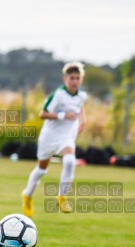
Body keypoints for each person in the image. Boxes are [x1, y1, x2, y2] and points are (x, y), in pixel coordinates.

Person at [21, 62, 87, 217]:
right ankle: (27, 195)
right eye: (72, 78)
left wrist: (83, 121)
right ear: (65, 79)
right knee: (42, 170)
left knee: (70, 161)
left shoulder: (82, 96)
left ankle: (62, 196)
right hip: (49, 137)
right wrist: (64, 116)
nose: (75, 81)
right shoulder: (58, 95)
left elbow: (80, 109)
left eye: (78, 78)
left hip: (66, 137)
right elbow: (42, 114)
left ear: (81, 80)